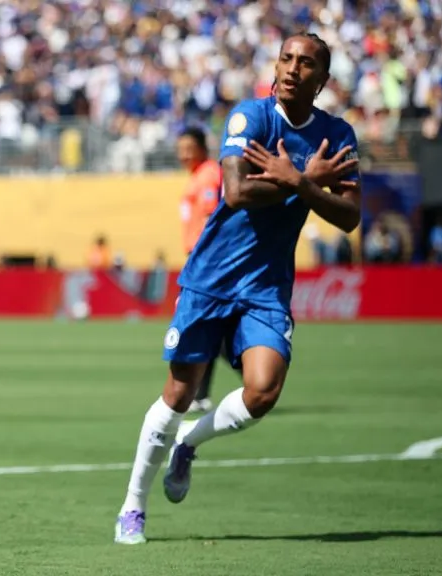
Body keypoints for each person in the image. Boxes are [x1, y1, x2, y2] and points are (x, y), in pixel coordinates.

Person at [113, 33, 362, 545]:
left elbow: (351, 217)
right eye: (287, 58)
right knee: (180, 391)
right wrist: (301, 180)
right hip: (212, 276)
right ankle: (132, 507)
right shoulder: (251, 117)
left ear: (323, 79)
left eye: (306, 62)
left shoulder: (337, 135)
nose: (293, 68)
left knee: (263, 391)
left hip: (267, 285)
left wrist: (302, 182)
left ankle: (188, 446)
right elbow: (238, 191)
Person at [176, 126, 232, 413]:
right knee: (207, 326)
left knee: (203, 324)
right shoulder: (198, 175)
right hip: (198, 258)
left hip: (205, 261)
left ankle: (253, 370)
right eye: (180, 148)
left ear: (201, 148)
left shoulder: (209, 174)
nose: (183, 154)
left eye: (188, 148)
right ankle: (201, 394)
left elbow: (212, 216)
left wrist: (201, 260)